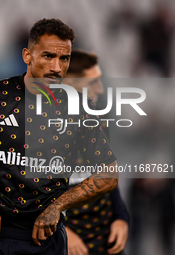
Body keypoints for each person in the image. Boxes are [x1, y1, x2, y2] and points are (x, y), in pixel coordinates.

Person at [0, 18, 118, 255]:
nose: (57, 67)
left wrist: (57, 207)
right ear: (27, 55)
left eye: (64, 58)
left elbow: (109, 175)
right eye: (48, 56)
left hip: (46, 239)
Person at [63, 49, 129, 255]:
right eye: (93, 82)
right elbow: (27, 199)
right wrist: (62, 233)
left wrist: (121, 218)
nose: (100, 90)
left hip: (106, 244)